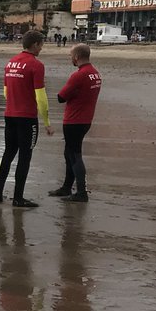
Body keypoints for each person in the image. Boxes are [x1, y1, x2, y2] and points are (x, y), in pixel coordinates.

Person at [0, 30, 53, 208]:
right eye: (41, 44)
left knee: (8, 153)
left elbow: (5, 92)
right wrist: (47, 123)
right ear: (35, 44)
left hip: (9, 115)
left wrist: (15, 101)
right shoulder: (36, 65)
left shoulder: (10, 62)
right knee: (25, 157)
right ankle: (18, 198)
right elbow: (41, 98)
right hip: (26, 118)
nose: (41, 48)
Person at [49, 44, 101, 203]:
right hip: (85, 119)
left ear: (77, 57)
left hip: (74, 120)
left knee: (74, 155)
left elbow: (61, 97)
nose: (70, 58)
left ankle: (81, 192)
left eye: (71, 55)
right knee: (69, 153)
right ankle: (67, 187)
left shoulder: (79, 75)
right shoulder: (95, 73)